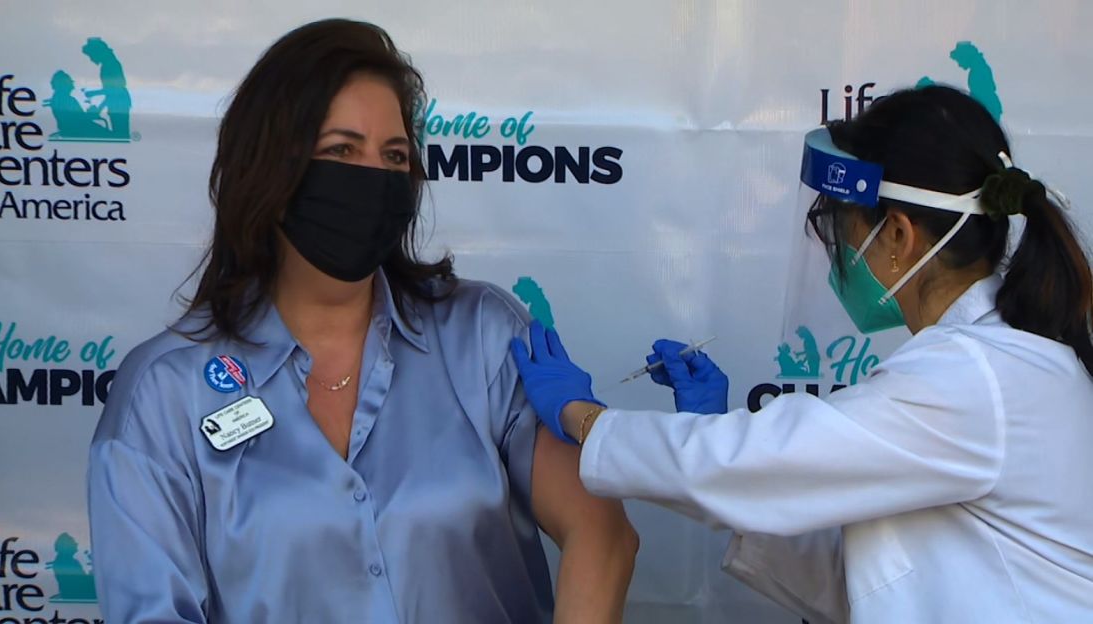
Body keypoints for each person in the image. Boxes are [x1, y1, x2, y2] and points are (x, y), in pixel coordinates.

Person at [87, 19, 637, 624]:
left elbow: (601, 537)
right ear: (270, 167)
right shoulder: (165, 390)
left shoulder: (483, 334)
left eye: (394, 156)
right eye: (341, 151)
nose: (372, 178)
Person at [509, 86, 1093, 623]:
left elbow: (751, 460)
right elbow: (875, 580)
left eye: (843, 229)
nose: (837, 253)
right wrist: (709, 431)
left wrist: (584, 419)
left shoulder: (975, 379)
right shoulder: (998, 362)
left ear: (898, 236)